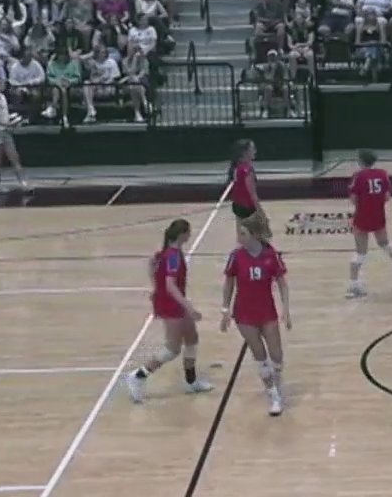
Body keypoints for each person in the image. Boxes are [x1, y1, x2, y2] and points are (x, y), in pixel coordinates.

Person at [124, 219, 214, 403]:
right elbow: (171, 285)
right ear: (183, 234)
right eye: (188, 232)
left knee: (192, 339)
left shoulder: (164, 253)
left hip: (173, 301)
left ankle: (191, 381)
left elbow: (151, 265)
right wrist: (189, 307)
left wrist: (155, 287)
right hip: (171, 304)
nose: (190, 235)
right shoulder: (173, 256)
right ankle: (138, 376)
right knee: (172, 349)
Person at [222, 213, 292, 416]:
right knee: (260, 356)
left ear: (253, 234)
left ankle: (276, 382)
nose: (239, 237)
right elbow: (229, 284)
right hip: (244, 314)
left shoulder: (271, 255)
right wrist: (225, 310)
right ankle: (273, 395)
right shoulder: (236, 256)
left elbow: (282, 284)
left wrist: (286, 310)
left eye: (243, 233)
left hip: (267, 311)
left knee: (276, 355)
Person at [346, 149, 392, 298]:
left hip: (362, 217)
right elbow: (387, 197)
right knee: (385, 243)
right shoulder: (383, 174)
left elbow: (353, 199)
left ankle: (353, 285)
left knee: (360, 252)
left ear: (361, 161)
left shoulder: (358, 176)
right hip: (378, 216)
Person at [0, 79, 31, 192]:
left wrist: (13, 119)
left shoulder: (3, 97)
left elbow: (4, 115)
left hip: (6, 133)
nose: (2, 87)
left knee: (15, 158)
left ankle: (23, 183)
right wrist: (8, 124)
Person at [227, 138, 261, 220]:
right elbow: (252, 194)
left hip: (238, 206)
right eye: (252, 149)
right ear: (245, 152)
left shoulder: (236, 168)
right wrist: (260, 212)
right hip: (248, 207)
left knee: (242, 227)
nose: (255, 151)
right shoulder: (247, 170)